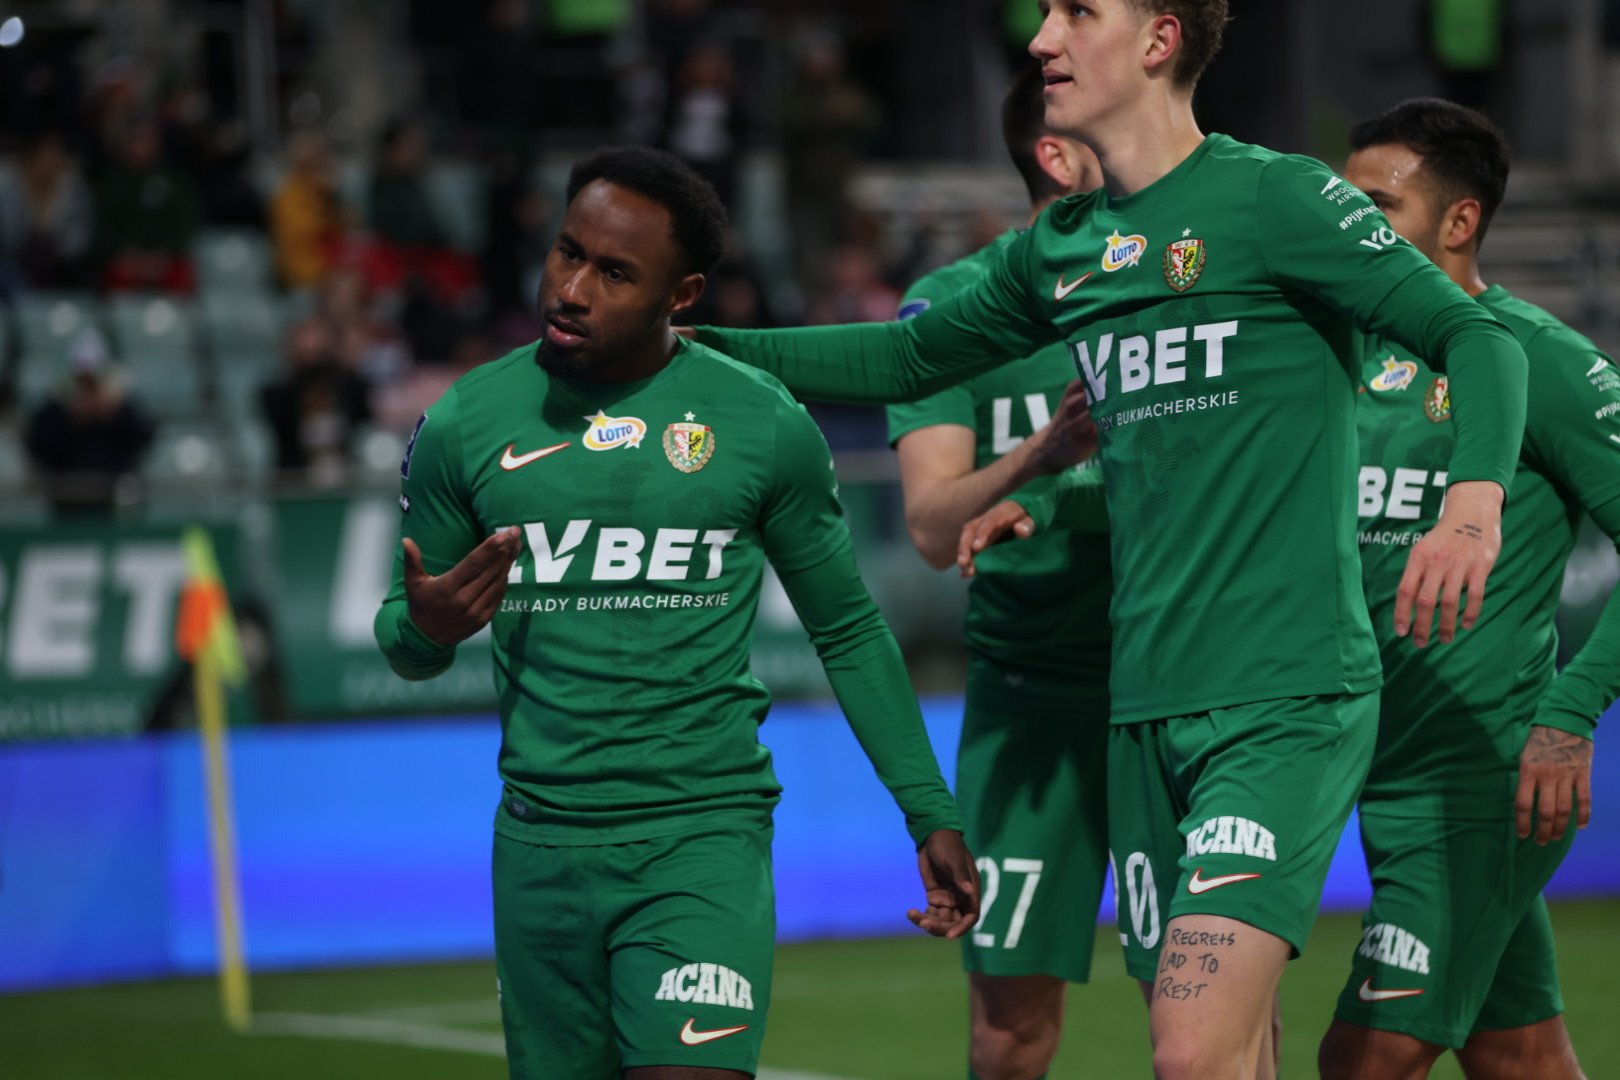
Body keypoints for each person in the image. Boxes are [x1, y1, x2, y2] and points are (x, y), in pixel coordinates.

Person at [687, 3, 1531, 1076]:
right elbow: (906, 363)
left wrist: (1470, 508)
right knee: (1228, 1059)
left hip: (1284, 699)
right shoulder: (1066, 246)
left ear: (1158, 40)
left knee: (1189, 1049)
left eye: (1077, 11)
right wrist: (693, 345)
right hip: (1140, 713)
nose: (1042, 38)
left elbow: (1477, 338)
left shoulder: (1275, 196)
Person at [372, 146, 978, 1080]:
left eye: (615, 273)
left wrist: (926, 809)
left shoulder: (762, 423)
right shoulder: (465, 422)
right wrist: (429, 629)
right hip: (540, 851)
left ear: (682, 294)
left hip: (703, 840)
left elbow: (847, 629)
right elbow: (406, 639)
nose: (573, 289)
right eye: (568, 252)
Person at [1317, 98, 1616, 1080]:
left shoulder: (1540, 361)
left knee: (1360, 1062)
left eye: (1377, 206)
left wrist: (1569, 715)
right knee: (1518, 1057)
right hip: (1377, 769)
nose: (1350, 225)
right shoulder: (1340, 356)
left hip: (1483, 779)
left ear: (1459, 221)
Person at [886, 66, 1113, 1080]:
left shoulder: (1182, 282)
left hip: (1178, 689)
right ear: (1058, 156)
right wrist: (1042, 455)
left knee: (1214, 1013)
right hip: (1031, 702)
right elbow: (932, 529)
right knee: (1008, 1033)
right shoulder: (952, 308)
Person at [24, 329, 154, 516]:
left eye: (92, 381)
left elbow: (142, 440)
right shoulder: (54, 410)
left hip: (113, 500)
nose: (86, 389)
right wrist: (71, 419)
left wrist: (113, 414)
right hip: (65, 502)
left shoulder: (120, 407)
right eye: (81, 381)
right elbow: (39, 447)